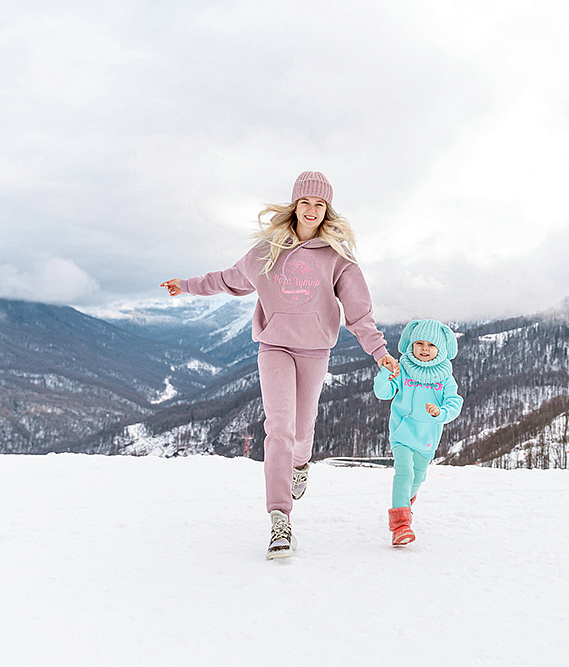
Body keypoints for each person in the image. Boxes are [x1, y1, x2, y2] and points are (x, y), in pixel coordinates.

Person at [161, 171, 399, 560]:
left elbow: (359, 313)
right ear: (294, 205)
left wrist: (379, 352)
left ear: (327, 211)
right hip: (273, 346)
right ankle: (279, 519)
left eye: (319, 204)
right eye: (305, 202)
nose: (311, 210)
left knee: (303, 429)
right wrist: (185, 285)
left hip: (314, 350)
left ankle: (301, 465)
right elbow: (227, 279)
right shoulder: (266, 251)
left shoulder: (338, 258)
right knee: (279, 428)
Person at [373, 319, 463, 546]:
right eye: (419, 343)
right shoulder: (403, 370)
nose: (424, 349)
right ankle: (400, 525)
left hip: (428, 439)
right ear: (410, 344)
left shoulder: (444, 377)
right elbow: (383, 393)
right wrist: (385, 374)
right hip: (402, 433)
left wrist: (440, 413)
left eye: (431, 345)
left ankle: (404, 503)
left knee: (418, 477)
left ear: (441, 350)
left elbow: (454, 402)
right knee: (404, 474)